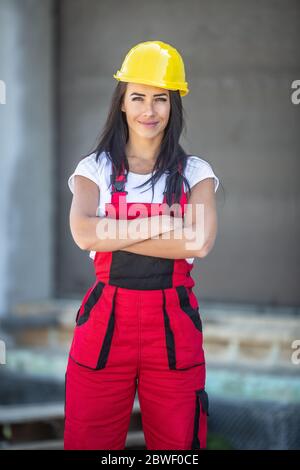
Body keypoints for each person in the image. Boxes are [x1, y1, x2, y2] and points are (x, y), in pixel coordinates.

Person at [64, 40, 219, 450]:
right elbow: (83, 233)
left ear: (174, 106)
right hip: (103, 326)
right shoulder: (93, 168)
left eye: (160, 99)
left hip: (173, 328)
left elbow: (199, 242)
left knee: (178, 448)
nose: (148, 111)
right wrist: (164, 223)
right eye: (138, 97)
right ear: (121, 102)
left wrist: (111, 233)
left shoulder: (195, 173)